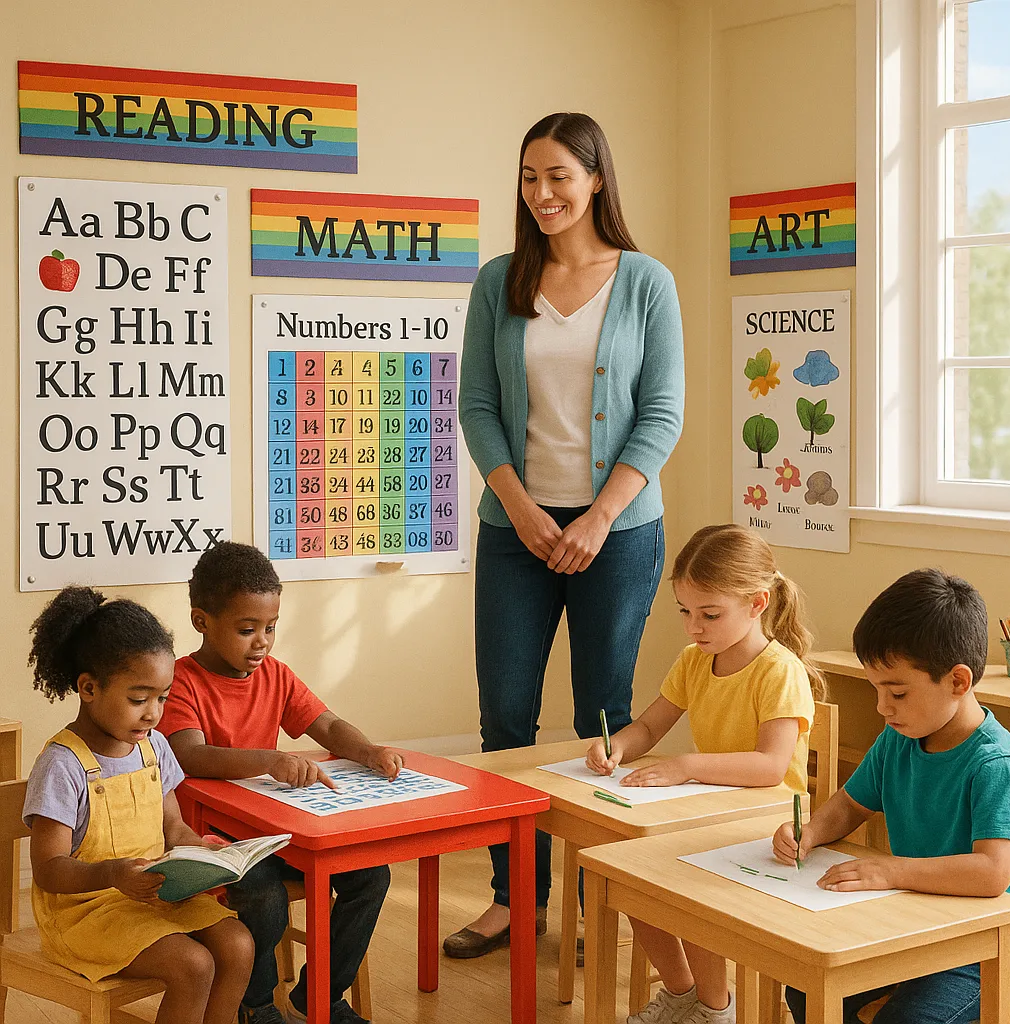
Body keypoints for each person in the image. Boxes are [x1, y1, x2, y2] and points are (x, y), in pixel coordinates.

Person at [448, 110, 685, 959]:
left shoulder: (646, 281)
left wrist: (598, 517)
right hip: (517, 530)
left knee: (602, 719)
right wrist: (518, 507)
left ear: (594, 180)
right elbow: (476, 405)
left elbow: (662, 414)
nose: (542, 194)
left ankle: (600, 899)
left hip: (616, 534)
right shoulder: (499, 281)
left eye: (557, 176)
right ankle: (517, 900)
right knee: (506, 718)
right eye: (528, 178)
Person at [588, 524, 822, 1024]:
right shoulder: (696, 662)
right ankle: (682, 995)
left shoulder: (779, 671)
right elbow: (651, 724)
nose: (694, 627)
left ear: (758, 603)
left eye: (710, 614)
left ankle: (716, 1010)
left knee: (684, 886)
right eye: (685, 612)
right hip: (709, 812)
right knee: (630, 879)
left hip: (773, 826)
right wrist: (618, 748)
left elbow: (770, 768)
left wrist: (687, 766)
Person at [159, 542, 399, 1024]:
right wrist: (269, 760)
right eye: (247, 630)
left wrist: (368, 751)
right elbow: (187, 754)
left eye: (270, 628)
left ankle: (320, 996)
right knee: (264, 894)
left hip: (274, 836)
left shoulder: (276, 676)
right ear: (201, 620)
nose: (262, 642)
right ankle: (255, 1004)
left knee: (372, 874)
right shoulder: (180, 681)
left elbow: (327, 727)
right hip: (210, 843)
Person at [775, 569, 1010, 1024]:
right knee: (808, 990)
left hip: (988, 946)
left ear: (958, 681)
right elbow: (851, 804)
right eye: (876, 690)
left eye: (898, 692)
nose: (882, 707)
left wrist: (890, 870)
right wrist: (809, 832)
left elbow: (993, 873)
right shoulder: (899, 737)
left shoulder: (996, 763)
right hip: (909, 922)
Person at [23, 586, 253, 1024]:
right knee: (193, 964)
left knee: (238, 943)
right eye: (138, 698)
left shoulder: (155, 748)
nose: (153, 714)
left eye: (162, 698)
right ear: (89, 688)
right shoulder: (62, 764)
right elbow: (49, 868)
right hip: (84, 914)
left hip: (150, 899)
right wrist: (111, 874)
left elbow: (174, 828)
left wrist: (205, 850)